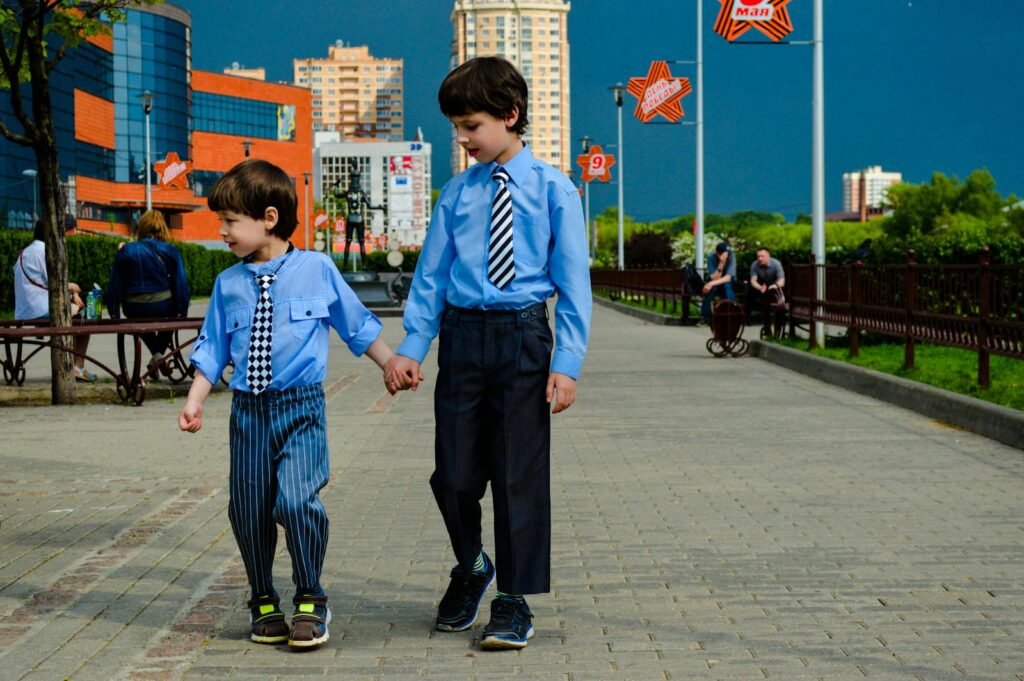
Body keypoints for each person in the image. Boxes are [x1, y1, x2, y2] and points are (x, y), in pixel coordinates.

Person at [383, 56, 592, 651]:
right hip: (464, 338)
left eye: (471, 125)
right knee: (452, 473)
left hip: (525, 338)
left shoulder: (555, 189)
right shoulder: (457, 193)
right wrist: (412, 347)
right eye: (457, 126)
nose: (463, 138)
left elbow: (574, 284)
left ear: (509, 115)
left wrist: (566, 363)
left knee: (517, 474)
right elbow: (430, 277)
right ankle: (473, 565)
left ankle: (513, 600)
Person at [177, 159, 397, 649]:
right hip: (248, 414)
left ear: (269, 218)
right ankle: (261, 598)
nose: (223, 230)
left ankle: (310, 595)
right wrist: (195, 401)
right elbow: (211, 347)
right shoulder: (227, 283)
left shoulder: (316, 268)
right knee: (249, 509)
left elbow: (354, 322)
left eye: (231, 221)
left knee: (296, 500)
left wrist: (388, 364)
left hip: (301, 409)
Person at [105, 210, 191, 376]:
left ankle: (156, 357)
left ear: (142, 227)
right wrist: (182, 311)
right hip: (163, 305)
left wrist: (114, 312)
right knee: (171, 317)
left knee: (141, 320)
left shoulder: (126, 250)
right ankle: (158, 356)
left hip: (133, 307)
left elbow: (115, 283)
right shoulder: (170, 250)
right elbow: (181, 283)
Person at [13, 219, 96, 382]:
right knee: (84, 318)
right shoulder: (44, 250)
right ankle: (76, 366)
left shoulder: (25, 252)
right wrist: (73, 288)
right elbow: (57, 281)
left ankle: (76, 366)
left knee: (77, 313)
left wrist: (71, 293)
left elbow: (45, 283)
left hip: (24, 310)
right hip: (41, 308)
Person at [747, 247, 786, 337]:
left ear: (768, 256)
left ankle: (778, 330)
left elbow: (782, 281)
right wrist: (760, 287)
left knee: (779, 302)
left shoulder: (776, 264)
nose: (760, 259)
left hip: (775, 286)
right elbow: (753, 281)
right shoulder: (754, 265)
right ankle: (751, 320)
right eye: (758, 256)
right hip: (761, 285)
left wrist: (774, 286)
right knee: (750, 293)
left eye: (762, 256)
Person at [700, 241, 736, 323]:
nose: (727, 256)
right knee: (712, 289)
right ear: (718, 254)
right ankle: (705, 317)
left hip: (729, 282)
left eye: (728, 254)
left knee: (727, 285)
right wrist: (721, 263)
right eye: (725, 254)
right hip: (716, 282)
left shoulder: (731, 256)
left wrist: (710, 283)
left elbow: (728, 278)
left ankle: (732, 314)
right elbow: (714, 278)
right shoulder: (711, 257)